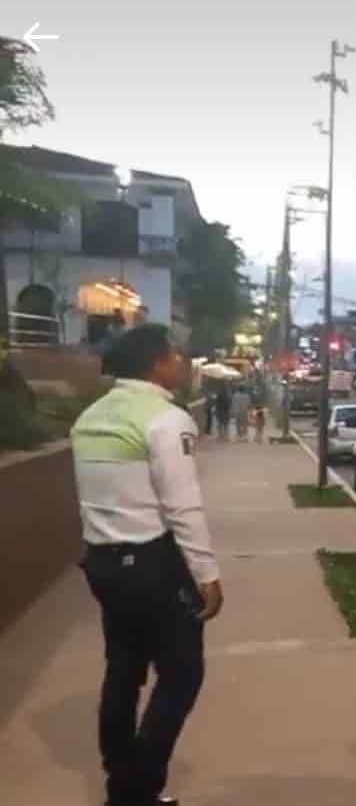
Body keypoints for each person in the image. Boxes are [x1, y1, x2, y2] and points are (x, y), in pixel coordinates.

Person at [73, 324, 224, 806]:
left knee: (123, 670)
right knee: (182, 674)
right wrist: (207, 574)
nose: (182, 362)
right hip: (152, 563)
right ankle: (138, 788)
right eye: (176, 354)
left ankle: (120, 782)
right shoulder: (165, 418)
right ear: (156, 362)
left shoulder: (91, 417)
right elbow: (182, 506)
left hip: (102, 562)